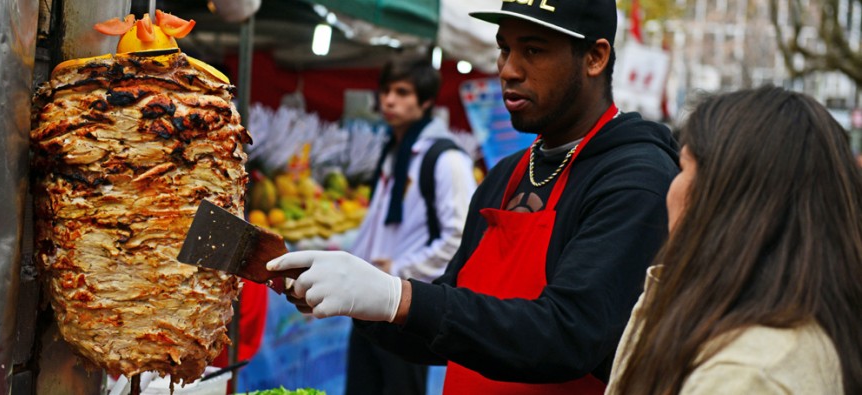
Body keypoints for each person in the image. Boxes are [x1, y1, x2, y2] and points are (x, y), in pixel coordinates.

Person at [268, 1, 679, 393]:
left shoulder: (636, 178)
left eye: (533, 51)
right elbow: (452, 322)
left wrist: (400, 298)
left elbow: (569, 335)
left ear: (595, 57)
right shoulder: (505, 175)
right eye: (504, 49)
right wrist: (363, 299)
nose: (508, 70)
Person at [606, 86, 862, 394]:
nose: (670, 186)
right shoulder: (806, 323)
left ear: (728, 198)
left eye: (683, 167)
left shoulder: (744, 375)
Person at [344, 59, 477, 395]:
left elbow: (461, 238)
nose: (389, 100)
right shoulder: (394, 153)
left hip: (410, 308)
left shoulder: (447, 160)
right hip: (368, 303)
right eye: (386, 91)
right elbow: (376, 225)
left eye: (402, 93)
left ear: (427, 101)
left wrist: (401, 269)